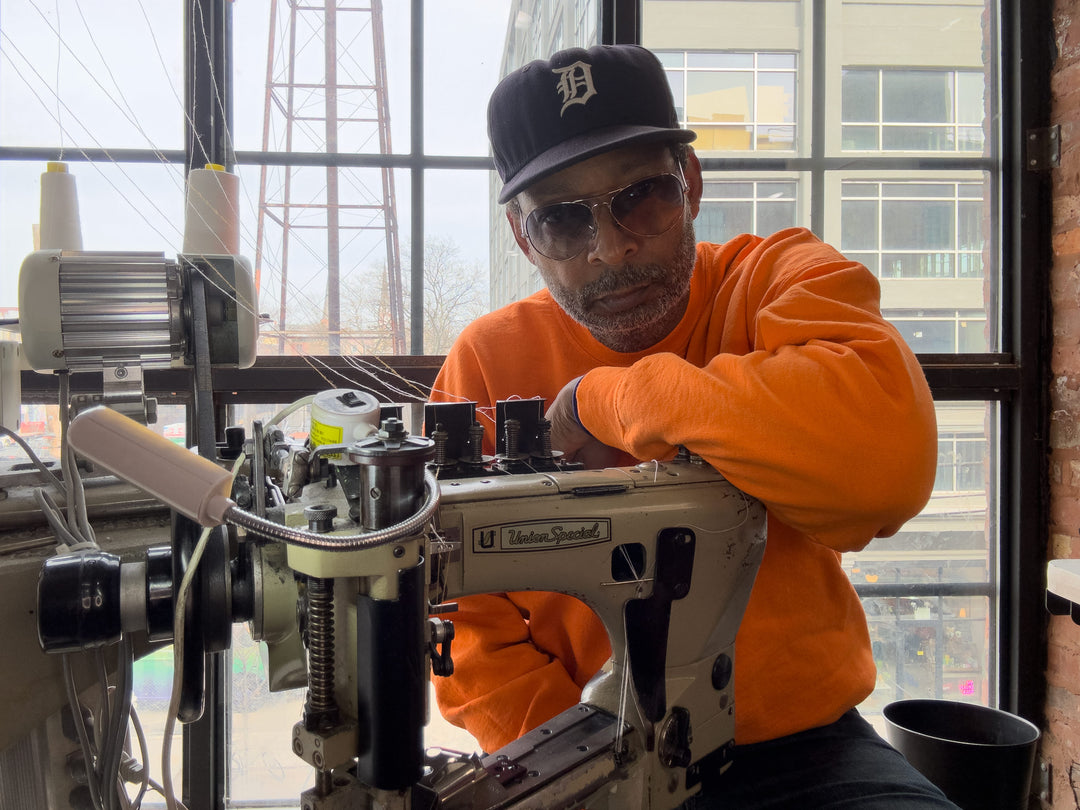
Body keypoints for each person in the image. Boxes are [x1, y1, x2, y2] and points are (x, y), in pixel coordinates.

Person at [430, 44, 954, 808]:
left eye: (642, 197)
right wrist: (582, 771)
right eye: (562, 221)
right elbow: (469, 629)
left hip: (805, 750)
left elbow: (886, 468)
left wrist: (600, 400)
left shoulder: (776, 281)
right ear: (521, 236)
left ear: (692, 183)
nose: (611, 249)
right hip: (581, 746)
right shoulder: (485, 364)